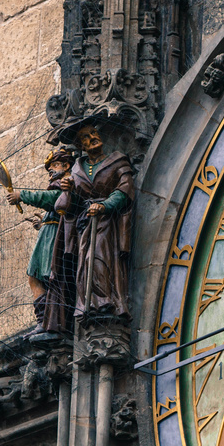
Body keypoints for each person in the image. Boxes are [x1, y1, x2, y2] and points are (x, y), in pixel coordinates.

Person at [56, 121, 135, 321]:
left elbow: (125, 188)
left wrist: (105, 205)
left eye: (94, 133)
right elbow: (68, 207)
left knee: (99, 256)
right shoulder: (76, 170)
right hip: (85, 223)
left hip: (107, 221)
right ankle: (89, 302)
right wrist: (67, 190)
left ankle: (107, 300)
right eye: (86, 137)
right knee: (85, 263)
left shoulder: (118, 161)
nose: (92, 138)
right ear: (80, 145)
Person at [5, 146, 76, 336]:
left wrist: (22, 195)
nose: (50, 169)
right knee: (34, 277)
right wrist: (43, 222)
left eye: (55, 164)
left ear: (66, 165)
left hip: (57, 237)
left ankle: (50, 321)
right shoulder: (58, 183)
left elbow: (54, 200)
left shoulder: (69, 182)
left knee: (48, 277)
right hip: (48, 234)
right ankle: (43, 320)